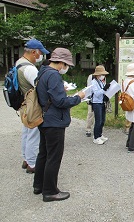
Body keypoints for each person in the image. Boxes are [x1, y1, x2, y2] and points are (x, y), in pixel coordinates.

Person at [33, 48, 85, 202]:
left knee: (43, 153)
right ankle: (50, 191)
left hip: (43, 118)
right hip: (54, 121)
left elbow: (49, 95)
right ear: (62, 63)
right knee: (54, 156)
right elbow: (61, 102)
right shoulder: (54, 75)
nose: (66, 67)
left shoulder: (42, 71)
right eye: (66, 64)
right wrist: (79, 97)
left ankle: (39, 185)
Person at [16, 39, 50, 174]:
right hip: (32, 105)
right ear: (34, 52)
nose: (41, 56)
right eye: (40, 53)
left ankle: (25, 158)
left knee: (26, 131)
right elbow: (41, 85)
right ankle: (32, 163)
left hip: (24, 103)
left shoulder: (19, 63)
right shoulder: (29, 68)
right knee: (34, 133)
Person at [91, 65, 110, 145]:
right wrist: (104, 89)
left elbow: (103, 91)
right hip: (96, 103)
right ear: (97, 74)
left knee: (102, 120)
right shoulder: (94, 82)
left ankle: (100, 134)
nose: (103, 76)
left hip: (102, 102)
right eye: (102, 74)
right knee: (98, 120)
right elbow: (96, 93)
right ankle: (96, 137)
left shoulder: (101, 82)